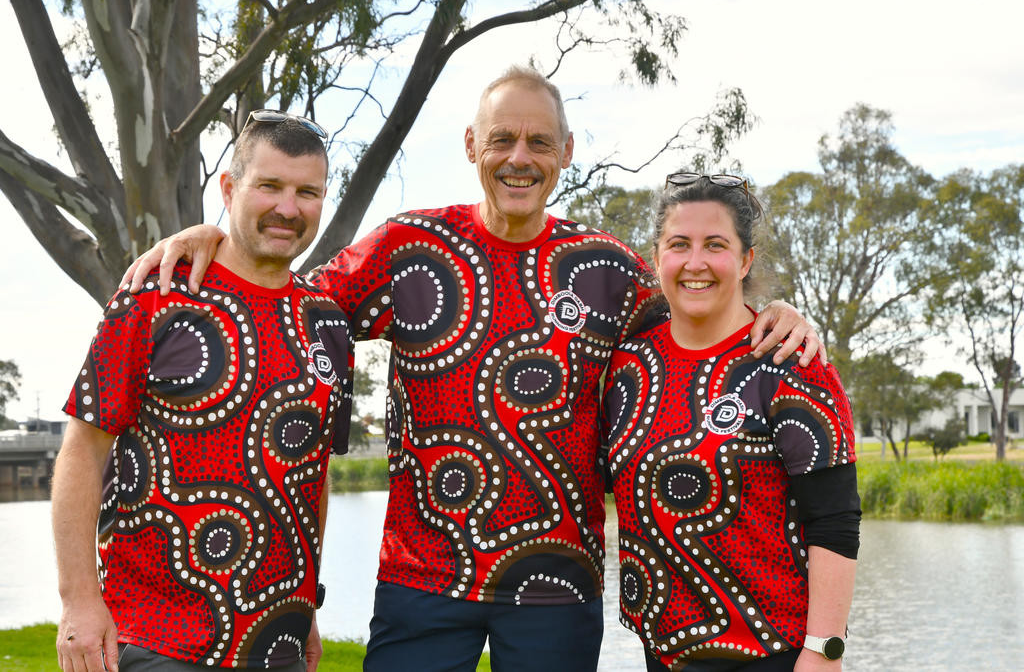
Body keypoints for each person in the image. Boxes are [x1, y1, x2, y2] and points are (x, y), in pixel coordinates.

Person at [122, 67, 822, 672]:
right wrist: (219, 233)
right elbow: (296, 300)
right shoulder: (407, 246)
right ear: (471, 147)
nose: (520, 157)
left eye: (539, 142)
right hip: (421, 578)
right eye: (502, 140)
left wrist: (775, 312)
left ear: (566, 153)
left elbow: (699, 314)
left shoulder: (606, 268)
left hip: (557, 583)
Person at [52, 112, 354, 672]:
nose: (288, 208)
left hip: (278, 644)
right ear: (230, 187)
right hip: (155, 639)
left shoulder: (328, 323)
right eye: (270, 186)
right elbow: (82, 451)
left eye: (307, 192)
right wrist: (78, 602)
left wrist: (308, 602)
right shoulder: (154, 298)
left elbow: (313, 476)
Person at [601, 173, 859, 671]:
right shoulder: (627, 367)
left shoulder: (791, 361)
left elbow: (834, 520)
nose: (695, 262)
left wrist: (824, 652)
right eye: (679, 244)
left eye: (715, 245)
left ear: (744, 261)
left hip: (771, 655)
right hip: (663, 653)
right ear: (657, 259)